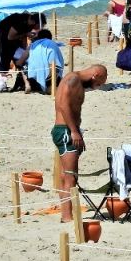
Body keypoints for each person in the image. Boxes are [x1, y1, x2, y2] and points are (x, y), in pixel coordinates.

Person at [52, 65, 108, 222]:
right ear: (95, 75)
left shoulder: (77, 81)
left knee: (66, 175)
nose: (98, 87)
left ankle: (66, 215)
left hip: (67, 130)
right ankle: (67, 217)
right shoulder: (72, 79)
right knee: (70, 177)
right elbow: (63, 105)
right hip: (66, 131)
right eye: (99, 83)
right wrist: (74, 131)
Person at [0, 12, 42, 92]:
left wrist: (24, 51)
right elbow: (10, 37)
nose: (38, 28)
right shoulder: (20, 22)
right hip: (3, 37)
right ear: (34, 22)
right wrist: (25, 34)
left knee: (20, 60)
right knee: (5, 61)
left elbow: (24, 39)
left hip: (14, 38)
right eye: (38, 26)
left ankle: (25, 83)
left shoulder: (29, 25)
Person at [14, 29, 63, 94]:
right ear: (50, 38)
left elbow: (21, 61)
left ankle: (27, 85)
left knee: (23, 64)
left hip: (35, 79)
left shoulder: (32, 45)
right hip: (53, 76)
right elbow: (60, 62)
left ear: (38, 37)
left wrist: (16, 62)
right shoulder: (54, 44)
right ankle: (50, 86)